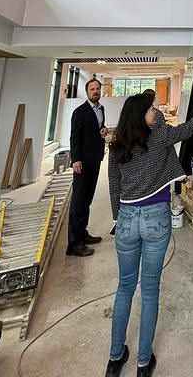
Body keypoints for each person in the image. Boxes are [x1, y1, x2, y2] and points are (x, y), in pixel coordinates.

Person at [105, 82, 193, 377]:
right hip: (155, 218)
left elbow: (114, 187)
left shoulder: (116, 146)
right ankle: (143, 363)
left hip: (126, 219)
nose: (155, 111)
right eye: (151, 108)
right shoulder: (160, 136)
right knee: (150, 289)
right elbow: (190, 128)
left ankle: (115, 359)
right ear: (141, 115)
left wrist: (119, 218)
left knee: (125, 287)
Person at [67, 78, 109, 257]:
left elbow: (96, 129)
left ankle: (82, 235)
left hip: (95, 160)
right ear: (87, 92)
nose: (95, 91)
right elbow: (74, 137)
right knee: (78, 203)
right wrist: (75, 159)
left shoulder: (101, 109)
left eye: (97, 88)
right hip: (82, 163)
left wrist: (104, 129)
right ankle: (73, 244)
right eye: (92, 89)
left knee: (87, 200)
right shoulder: (79, 112)